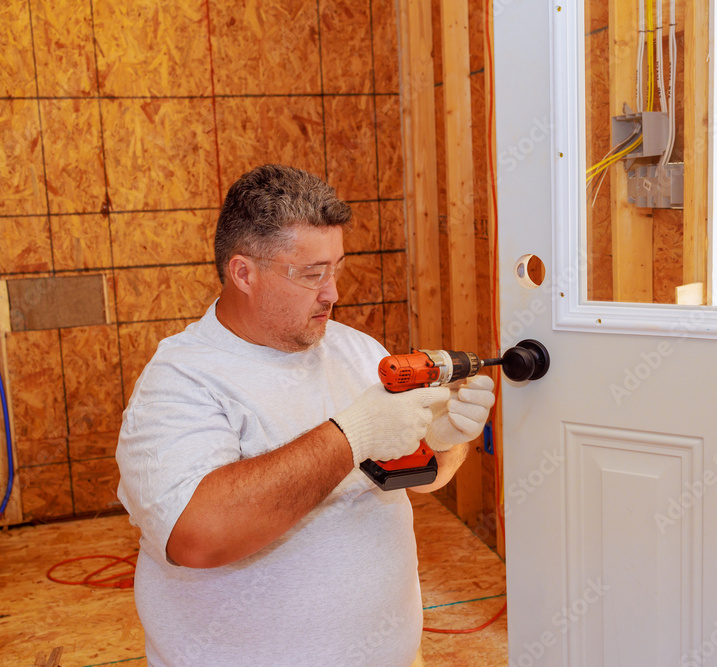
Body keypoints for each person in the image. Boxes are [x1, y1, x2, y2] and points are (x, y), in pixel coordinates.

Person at [115, 164, 496, 666]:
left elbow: (415, 477)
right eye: (311, 274)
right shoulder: (181, 381)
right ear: (243, 272)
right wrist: (351, 437)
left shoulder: (357, 352)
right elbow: (196, 536)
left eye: (336, 267)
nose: (332, 292)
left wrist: (444, 441)